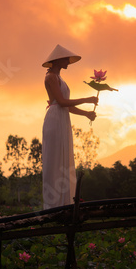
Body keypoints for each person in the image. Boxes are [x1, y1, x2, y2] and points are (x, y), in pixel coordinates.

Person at [41, 44, 98, 209]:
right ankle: (53, 205)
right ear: (58, 60)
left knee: (64, 158)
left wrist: (86, 113)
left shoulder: (59, 78)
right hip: (54, 119)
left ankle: (64, 203)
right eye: (66, 58)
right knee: (55, 160)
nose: (68, 61)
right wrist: (87, 99)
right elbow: (61, 102)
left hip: (62, 118)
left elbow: (67, 107)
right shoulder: (51, 77)